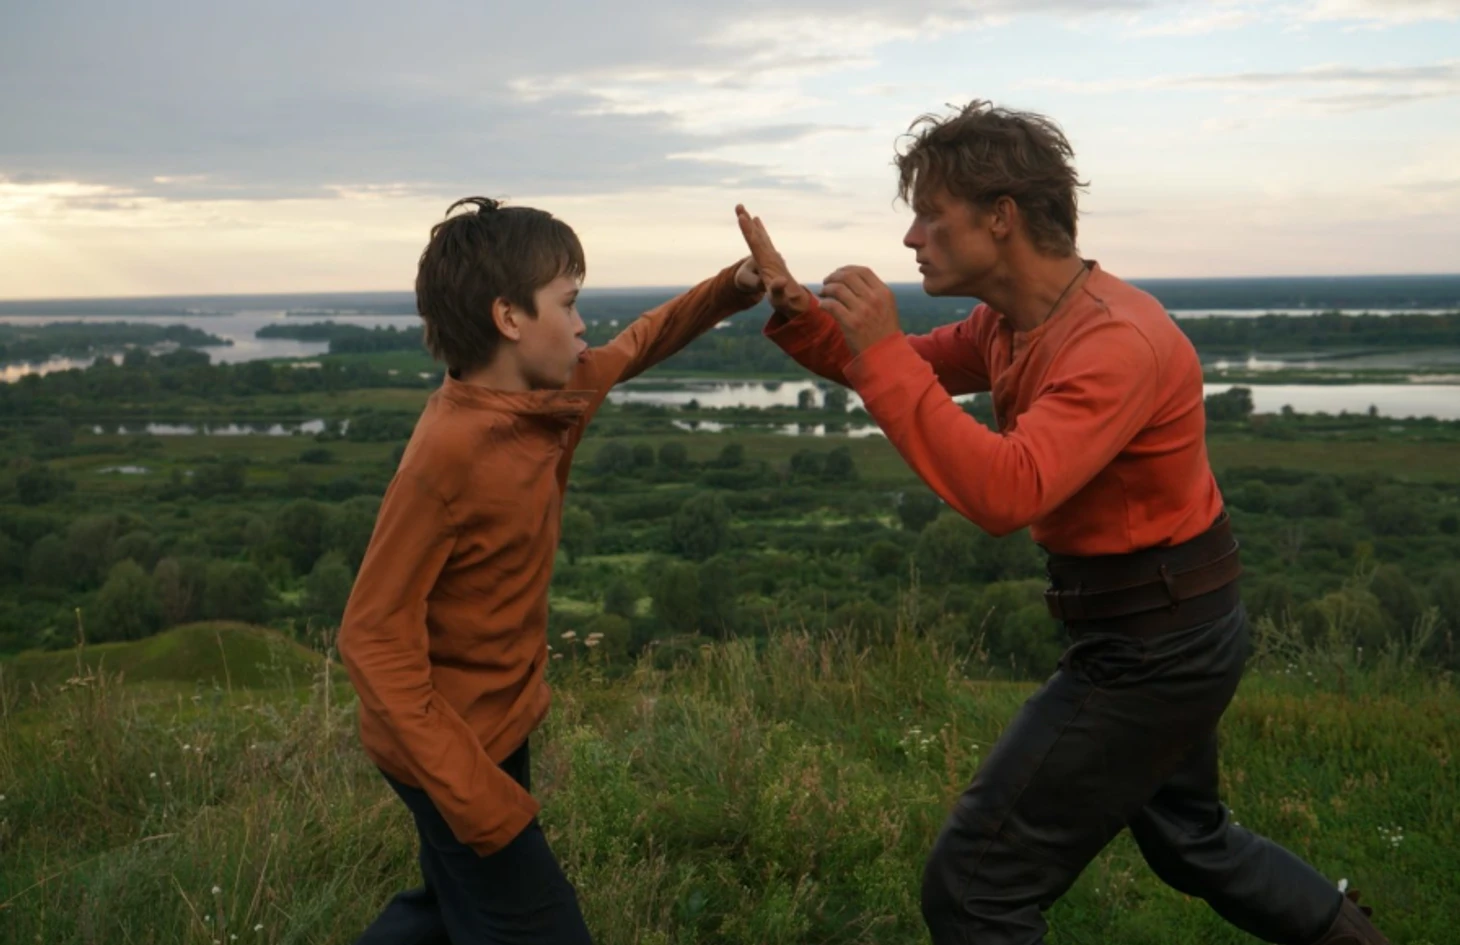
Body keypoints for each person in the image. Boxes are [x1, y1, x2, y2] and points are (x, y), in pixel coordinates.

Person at [736, 100, 1389, 945]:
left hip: (1156, 647)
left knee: (974, 889)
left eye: (931, 215)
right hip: (1162, 623)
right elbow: (897, 369)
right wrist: (803, 311)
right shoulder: (1014, 323)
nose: (911, 237)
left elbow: (1005, 492)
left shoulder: (1115, 341)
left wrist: (883, 346)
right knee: (1192, 842)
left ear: (1000, 217)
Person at [338, 196, 764, 944]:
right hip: (444, 746)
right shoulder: (447, 454)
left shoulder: (547, 399)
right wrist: (476, 797)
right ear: (509, 318)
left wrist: (735, 285)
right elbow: (371, 636)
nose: (581, 323)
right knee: (537, 924)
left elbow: (641, 340)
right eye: (567, 303)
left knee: (448, 912)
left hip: (496, 725)